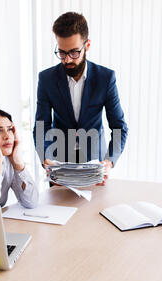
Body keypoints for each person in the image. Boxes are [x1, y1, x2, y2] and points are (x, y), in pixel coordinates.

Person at [33, 12, 128, 185]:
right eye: (61, 52)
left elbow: (119, 127)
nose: (67, 59)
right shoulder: (46, 79)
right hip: (59, 163)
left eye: (74, 52)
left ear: (87, 45)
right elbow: (41, 126)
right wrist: (45, 158)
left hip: (94, 164)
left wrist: (109, 161)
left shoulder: (105, 78)